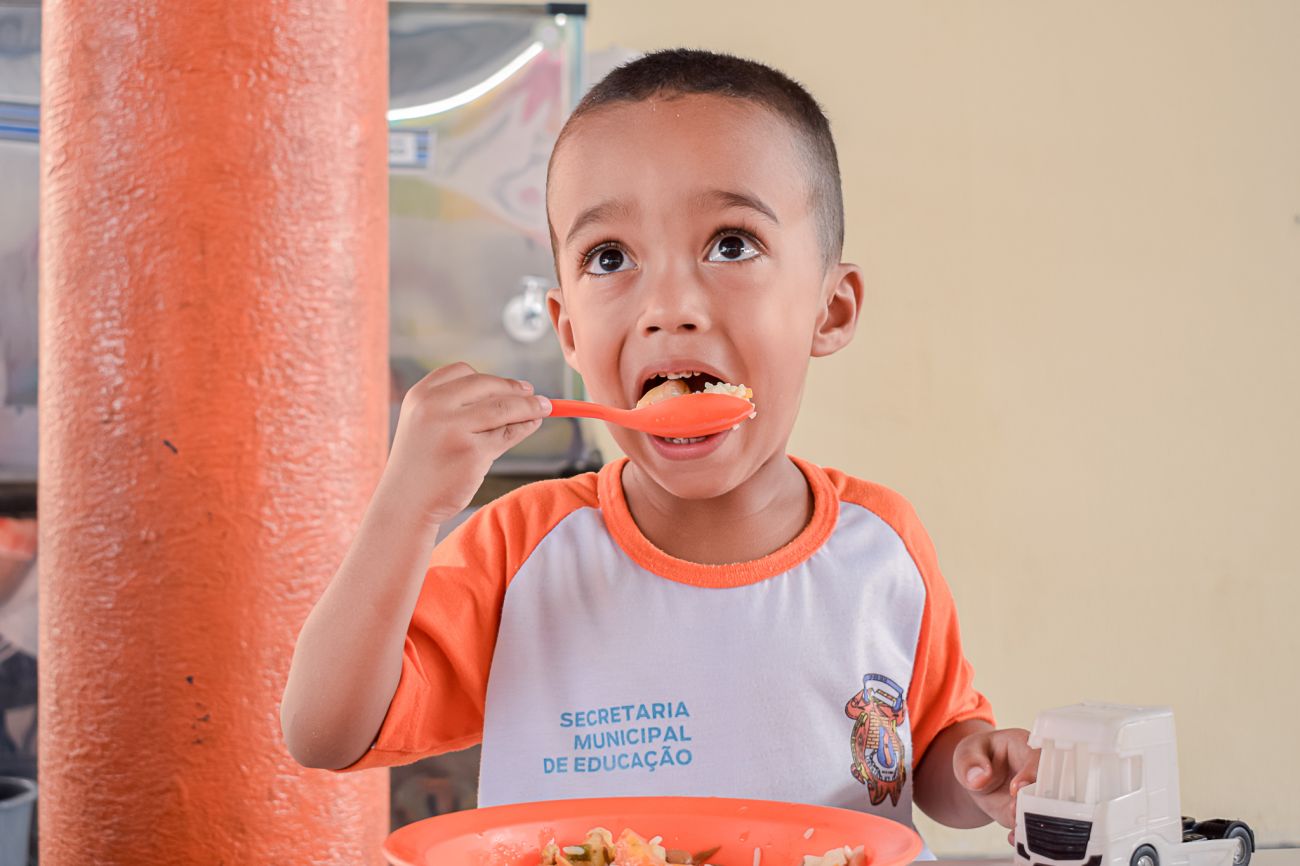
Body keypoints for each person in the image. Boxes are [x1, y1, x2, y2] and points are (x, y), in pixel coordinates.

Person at [282, 49, 1037, 848]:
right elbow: (324, 732)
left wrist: (980, 769)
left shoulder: (881, 547)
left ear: (832, 309)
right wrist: (406, 506)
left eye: (732, 245)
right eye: (610, 258)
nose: (669, 305)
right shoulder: (524, 551)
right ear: (569, 332)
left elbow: (931, 751)